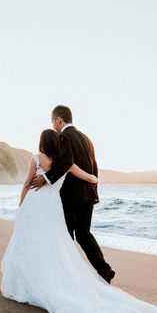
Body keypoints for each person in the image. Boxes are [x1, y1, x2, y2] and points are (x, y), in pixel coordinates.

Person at [0, 128, 157, 313]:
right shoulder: (64, 164)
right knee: (52, 245)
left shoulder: (36, 159)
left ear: (41, 142)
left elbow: (26, 183)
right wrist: (94, 179)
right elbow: (86, 175)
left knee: (30, 242)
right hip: (51, 208)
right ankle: (52, 278)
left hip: (34, 205)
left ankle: (27, 281)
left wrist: (21, 204)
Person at [30, 105, 116, 283]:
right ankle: (105, 270)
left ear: (59, 120)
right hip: (88, 194)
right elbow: (94, 166)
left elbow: (67, 162)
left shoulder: (64, 136)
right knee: (84, 234)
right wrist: (94, 186)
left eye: (53, 121)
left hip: (71, 195)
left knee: (66, 234)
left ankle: (69, 274)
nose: (53, 126)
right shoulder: (87, 139)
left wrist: (46, 178)